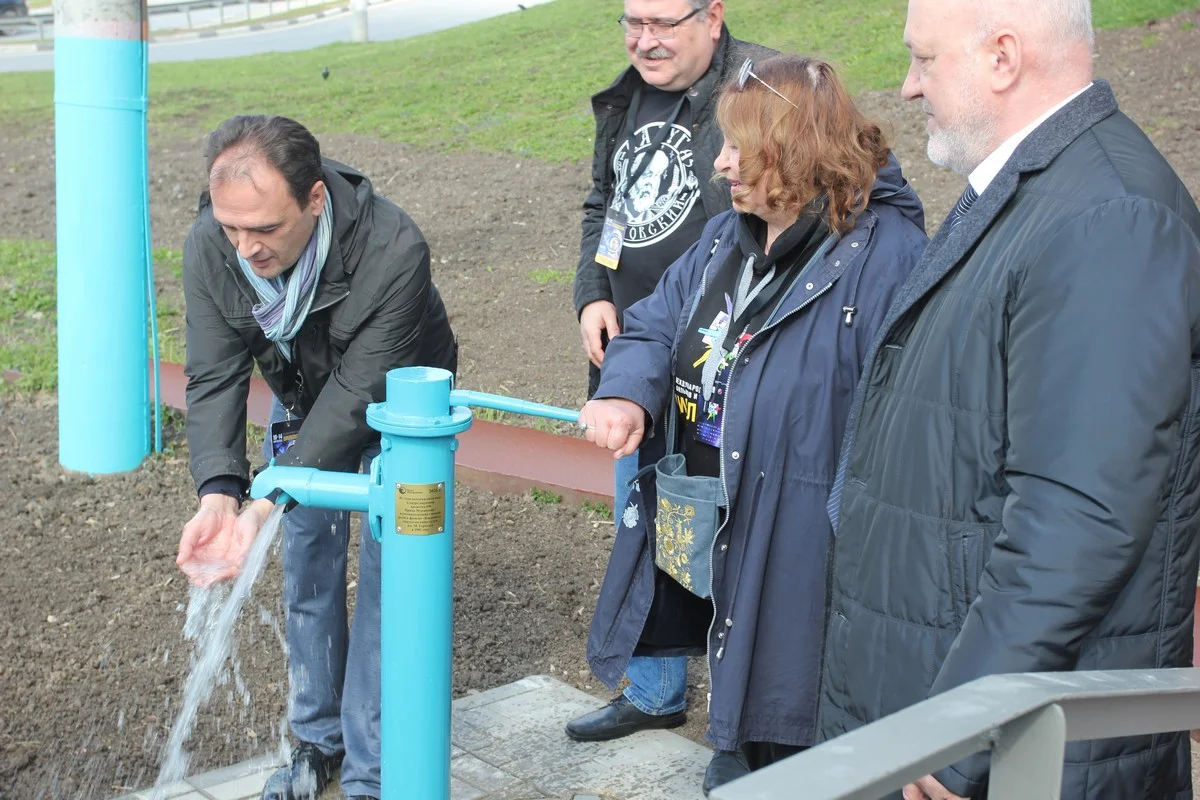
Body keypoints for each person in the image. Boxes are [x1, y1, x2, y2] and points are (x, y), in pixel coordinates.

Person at [815, 0, 1200, 797]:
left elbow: (1076, 521)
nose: (908, 87)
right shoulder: (1034, 191)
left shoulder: (1109, 220)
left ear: (1002, 57)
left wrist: (957, 732)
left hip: (1009, 750)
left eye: (923, 60)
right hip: (936, 691)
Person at [579, 55, 928, 796]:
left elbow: (905, 425)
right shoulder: (725, 238)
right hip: (718, 506)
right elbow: (650, 325)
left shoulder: (887, 256)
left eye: (739, 147)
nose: (721, 164)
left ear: (795, 151)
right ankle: (737, 739)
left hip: (808, 534)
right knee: (742, 665)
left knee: (796, 697)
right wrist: (626, 395)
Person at [174, 115, 457, 800]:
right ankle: (315, 741)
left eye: (265, 230)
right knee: (307, 565)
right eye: (232, 227)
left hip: (401, 416)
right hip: (301, 394)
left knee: (398, 581)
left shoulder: (393, 246)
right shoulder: (214, 246)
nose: (246, 247)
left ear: (315, 200)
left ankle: (375, 767)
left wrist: (271, 491)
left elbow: (361, 388)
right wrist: (220, 492)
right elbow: (214, 375)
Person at [567, 0, 774, 745]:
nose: (644, 40)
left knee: (735, 536)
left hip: (722, 360)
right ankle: (655, 691)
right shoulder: (625, 96)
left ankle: (752, 713)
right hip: (633, 353)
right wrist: (593, 292)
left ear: (712, 16)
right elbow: (605, 203)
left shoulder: (760, 90)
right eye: (632, 22)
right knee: (642, 520)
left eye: (662, 23)